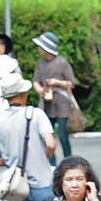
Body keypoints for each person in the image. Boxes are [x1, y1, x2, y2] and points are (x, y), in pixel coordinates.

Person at [31, 30, 76, 162]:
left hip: (62, 103)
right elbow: (35, 81)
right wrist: (40, 90)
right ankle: (52, 164)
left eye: (41, 46)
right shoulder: (40, 62)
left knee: (63, 135)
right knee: (47, 135)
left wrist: (56, 82)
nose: (39, 49)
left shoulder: (62, 62)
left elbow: (71, 83)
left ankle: (69, 161)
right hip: (47, 103)